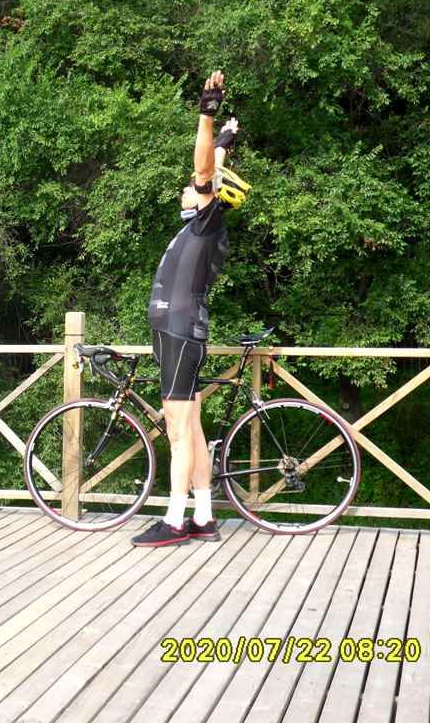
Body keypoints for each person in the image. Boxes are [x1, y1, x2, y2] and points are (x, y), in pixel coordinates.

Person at [131, 70, 251, 548]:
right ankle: (203, 515)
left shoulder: (206, 221)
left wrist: (207, 115)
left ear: (210, 197)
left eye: (196, 188)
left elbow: (203, 170)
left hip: (179, 332)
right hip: (181, 332)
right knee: (193, 427)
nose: (188, 188)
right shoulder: (206, 224)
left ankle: (175, 521)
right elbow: (210, 167)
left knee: (178, 432)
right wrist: (224, 139)